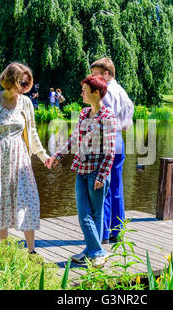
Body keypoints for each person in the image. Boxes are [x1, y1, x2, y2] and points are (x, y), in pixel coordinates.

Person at [0, 62, 50, 254]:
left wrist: (43, 156)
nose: (25, 88)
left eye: (27, 85)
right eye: (22, 84)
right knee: (0, 201)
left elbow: (32, 132)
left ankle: (31, 250)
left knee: (27, 200)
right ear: (10, 80)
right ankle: (6, 249)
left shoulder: (25, 103)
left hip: (21, 160)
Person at [45, 74, 116, 268]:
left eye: (85, 90)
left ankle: (93, 251)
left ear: (96, 92)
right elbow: (72, 140)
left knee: (95, 214)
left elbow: (110, 150)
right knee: (83, 214)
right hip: (82, 170)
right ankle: (95, 251)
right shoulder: (84, 113)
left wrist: (102, 176)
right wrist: (56, 158)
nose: (81, 93)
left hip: (97, 173)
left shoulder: (107, 116)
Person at [90, 57, 134, 244]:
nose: (92, 78)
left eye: (95, 74)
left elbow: (99, 115)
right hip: (118, 141)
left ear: (106, 74)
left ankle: (104, 233)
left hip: (105, 140)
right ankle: (118, 230)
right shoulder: (122, 91)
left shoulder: (104, 91)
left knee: (104, 186)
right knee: (116, 186)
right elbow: (128, 114)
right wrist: (123, 124)